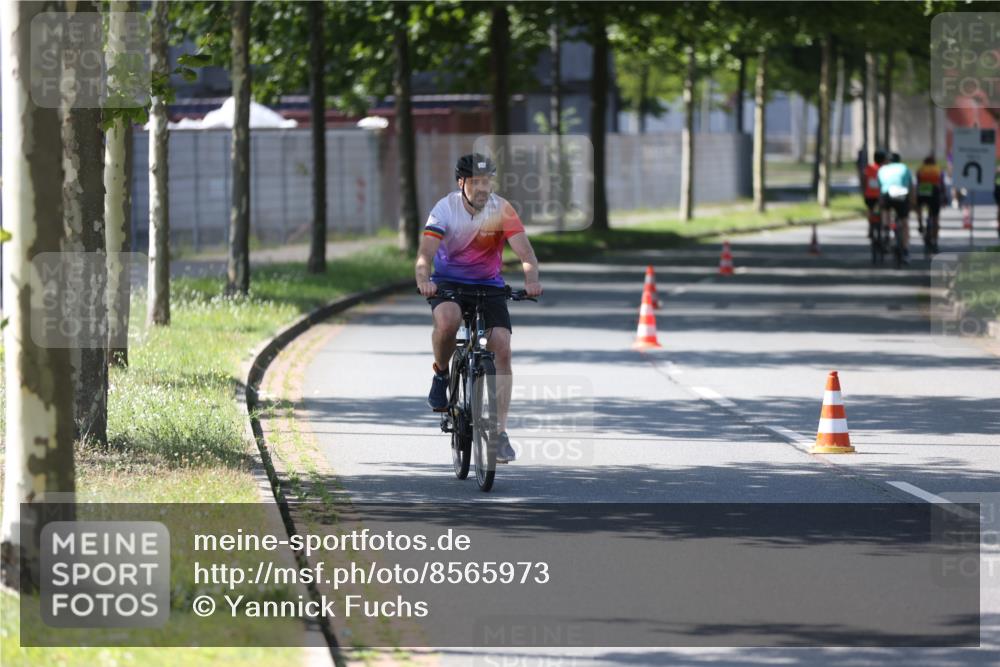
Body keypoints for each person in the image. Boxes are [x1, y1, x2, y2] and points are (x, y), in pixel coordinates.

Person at [415, 153, 543, 464]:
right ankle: (442, 374)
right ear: (462, 183)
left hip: (488, 285)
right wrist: (424, 280)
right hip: (447, 282)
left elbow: (526, 254)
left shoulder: (503, 209)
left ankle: (499, 434)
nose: (482, 188)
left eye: (487, 181)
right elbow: (425, 255)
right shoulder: (445, 209)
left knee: (502, 346)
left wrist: (532, 279)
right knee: (448, 319)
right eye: (475, 182)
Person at [878, 152, 916, 260]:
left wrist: (880, 203)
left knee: (885, 210)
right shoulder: (904, 168)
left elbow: (880, 187)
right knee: (904, 222)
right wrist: (912, 202)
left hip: (887, 194)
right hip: (901, 194)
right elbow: (911, 186)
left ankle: (886, 229)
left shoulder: (882, 169)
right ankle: (905, 249)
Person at [915, 155, 945, 250]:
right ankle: (935, 241)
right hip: (934, 192)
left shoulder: (921, 169)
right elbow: (942, 184)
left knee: (918, 206)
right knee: (935, 217)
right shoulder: (938, 169)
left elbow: (918, 182)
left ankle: (920, 223)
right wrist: (943, 196)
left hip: (923, 191)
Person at [862, 149, 887, 239]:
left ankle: (871, 228)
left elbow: (864, 181)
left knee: (870, 210)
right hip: (882, 196)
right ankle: (884, 228)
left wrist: (864, 191)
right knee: (884, 210)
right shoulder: (884, 169)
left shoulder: (869, 168)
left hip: (869, 195)